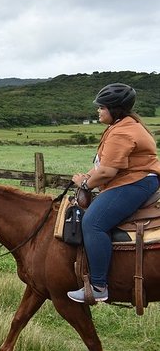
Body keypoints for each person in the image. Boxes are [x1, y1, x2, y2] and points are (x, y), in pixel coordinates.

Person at [67, 83, 160, 303]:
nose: (98, 111)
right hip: (134, 179)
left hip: (134, 183)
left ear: (114, 110)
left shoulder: (122, 132)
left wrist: (86, 186)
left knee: (93, 223)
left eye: (102, 107)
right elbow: (102, 166)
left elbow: (108, 171)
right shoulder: (124, 126)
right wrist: (86, 178)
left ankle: (99, 286)